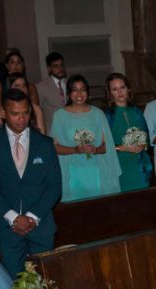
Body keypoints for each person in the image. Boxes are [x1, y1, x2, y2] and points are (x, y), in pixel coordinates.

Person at [0, 88, 61, 278]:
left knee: (45, 280)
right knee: (14, 283)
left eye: (25, 112)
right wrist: (14, 217)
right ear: (3, 113)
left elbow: (54, 186)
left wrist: (32, 216)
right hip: (7, 226)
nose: (21, 118)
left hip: (41, 224)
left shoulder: (44, 143)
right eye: (15, 113)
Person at [50, 74, 120, 202]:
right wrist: (76, 150)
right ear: (69, 93)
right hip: (72, 172)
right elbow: (55, 147)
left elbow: (106, 146)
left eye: (83, 89)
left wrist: (96, 149)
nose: (79, 94)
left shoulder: (98, 114)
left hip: (97, 170)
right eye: (75, 90)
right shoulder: (59, 116)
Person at [104, 72, 150, 192]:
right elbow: (103, 145)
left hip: (139, 166)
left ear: (128, 89)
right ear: (110, 93)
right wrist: (125, 148)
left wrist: (142, 145)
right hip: (119, 167)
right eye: (115, 89)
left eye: (122, 88)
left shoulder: (136, 112)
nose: (120, 92)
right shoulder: (107, 116)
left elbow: (147, 139)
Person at [35, 52, 67, 129]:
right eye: (56, 66)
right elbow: (37, 111)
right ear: (49, 69)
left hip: (70, 128)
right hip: (51, 130)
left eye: (62, 65)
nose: (60, 68)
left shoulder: (71, 84)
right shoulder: (41, 87)